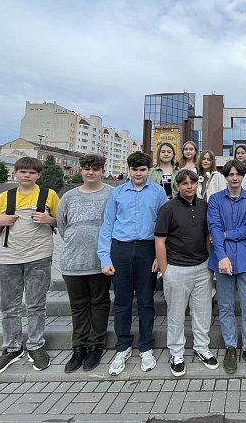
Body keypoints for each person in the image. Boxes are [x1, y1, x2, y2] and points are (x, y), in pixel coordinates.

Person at [0, 157, 60, 378]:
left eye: (32, 172)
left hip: (39, 257)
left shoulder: (49, 195)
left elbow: (61, 222)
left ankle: (36, 346)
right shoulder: (4, 197)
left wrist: (49, 219)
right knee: (9, 306)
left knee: (36, 305)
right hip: (8, 258)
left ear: (38, 175)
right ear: (15, 173)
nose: (27, 175)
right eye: (23, 171)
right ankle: (12, 348)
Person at [98, 152, 168, 376]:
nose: (138, 173)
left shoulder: (158, 192)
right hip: (121, 248)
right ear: (129, 170)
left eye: (143, 169)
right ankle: (123, 346)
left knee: (146, 300)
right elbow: (107, 225)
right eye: (135, 169)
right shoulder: (117, 193)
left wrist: (159, 256)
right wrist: (105, 257)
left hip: (147, 249)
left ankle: (146, 346)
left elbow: (164, 226)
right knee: (122, 300)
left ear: (149, 170)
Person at [155, 170, 218, 377]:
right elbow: (160, 241)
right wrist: (165, 271)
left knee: (202, 313)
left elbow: (207, 236)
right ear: (177, 186)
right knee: (176, 314)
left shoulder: (205, 206)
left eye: (192, 182)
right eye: (184, 183)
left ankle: (201, 348)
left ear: (197, 185)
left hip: (202, 267)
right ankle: (176, 353)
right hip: (176, 269)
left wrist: (210, 264)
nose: (189, 186)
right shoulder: (168, 208)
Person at [57, 154, 113, 373]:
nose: (91, 172)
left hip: (100, 261)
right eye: (87, 168)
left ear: (102, 171)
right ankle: (79, 347)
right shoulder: (69, 197)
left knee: (100, 303)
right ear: (81, 170)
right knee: (78, 306)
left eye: (96, 169)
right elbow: (63, 227)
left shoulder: (112, 194)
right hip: (73, 261)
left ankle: (95, 346)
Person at [207, 160, 246, 375]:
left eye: (238, 174)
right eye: (230, 174)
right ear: (225, 177)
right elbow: (214, 227)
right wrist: (221, 256)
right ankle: (230, 347)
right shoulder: (215, 200)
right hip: (222, 259)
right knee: (225, 305)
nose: (234, 178)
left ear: (243, 176)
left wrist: (226, 234)